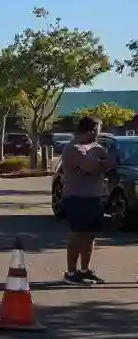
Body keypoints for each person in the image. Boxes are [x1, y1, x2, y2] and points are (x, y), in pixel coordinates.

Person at [60, 116, 115, 285]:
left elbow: (111, 163)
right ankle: (71, 272)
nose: (100, 132)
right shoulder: (73, 148)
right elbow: (90, 167)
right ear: (91, 130)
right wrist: (99, 162)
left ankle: (85, 270)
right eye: (98, 129)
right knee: (78, 235)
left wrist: (100, 162)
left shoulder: (96, 147)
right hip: (76, 197)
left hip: (94, 197)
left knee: (90, 236)